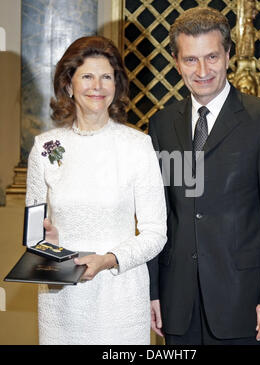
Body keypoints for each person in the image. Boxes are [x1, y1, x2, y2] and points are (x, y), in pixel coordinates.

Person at [148, 7, 260, 345]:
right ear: (176, 61)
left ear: (228, 54)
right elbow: (161, 214)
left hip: (243, 300)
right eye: (190, 60)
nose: (202, 71)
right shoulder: (162, 124)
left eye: (212, 56)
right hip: (177, 300)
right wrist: (153, 290)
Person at [25, 35, 167, 345]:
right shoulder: (46, 148)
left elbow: (156, 233)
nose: (97, 86)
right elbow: (33, 231)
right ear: (68, 84)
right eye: (87, 76)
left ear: (117, 85)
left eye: (106, 77)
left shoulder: (138, 146)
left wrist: (109, 259)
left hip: (120, 300)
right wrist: (44, 244)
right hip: (62, 302)